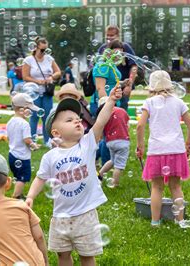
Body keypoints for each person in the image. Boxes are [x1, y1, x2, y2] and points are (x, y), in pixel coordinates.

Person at [25, 86, 122, 266]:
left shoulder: (87, 143)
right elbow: (40, 178)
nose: (78, 122)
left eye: (78, 119)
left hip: (86, 214)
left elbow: (100, 121)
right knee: (63, 255)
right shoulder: (50, 157)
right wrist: (30, 196)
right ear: (56, 133)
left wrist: (110, 101)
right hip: (60, 217)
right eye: (70, 120)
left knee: (87, 256)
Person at [135, 70, 190, 228]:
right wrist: (188, 144)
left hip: (157, 150)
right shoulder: (178, 102)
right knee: (176, 186)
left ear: (152, 85)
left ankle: (155, 221)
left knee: (157, 187)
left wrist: (140, 145)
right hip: (176, 149)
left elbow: (140, 125)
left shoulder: (149, 102)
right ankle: (180, 220)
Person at [22, 37, 61, 146]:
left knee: (47, 117)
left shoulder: (49, 59)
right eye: (42, 50)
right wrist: (37, 81)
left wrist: (51, 77)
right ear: (36, 48)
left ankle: (47, 140)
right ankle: (32, 140)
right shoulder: (29, 60)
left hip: (46, 92)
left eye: (46, 50)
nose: (44, 52)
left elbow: (58, 72)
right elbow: (25, 76)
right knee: (33, 116)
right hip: (33, 92)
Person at [7, 93, 41, 199]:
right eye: (29, 109)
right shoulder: (24, 124)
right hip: (22, 156)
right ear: (23, 109)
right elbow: (26, 139)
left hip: (12, 154)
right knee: (23, 178)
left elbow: (9, 137)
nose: (30, 112)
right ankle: (16, 196)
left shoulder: (10, 121)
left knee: (18, 176)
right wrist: (33, 145)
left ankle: (19, 194)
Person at [98, 25, 138, 110]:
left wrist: (129, 85)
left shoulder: (125, 47)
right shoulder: (103, 48)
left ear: (118, 36)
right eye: (107, 35)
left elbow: (134, 66)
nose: (109, 37)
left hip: (123, 87)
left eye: (112, 35)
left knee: (121, 110)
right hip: (107, 86)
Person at [96, 96, 130, 187]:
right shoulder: (122, 111)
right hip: (122, 141)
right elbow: (128, 125)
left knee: (112, 160)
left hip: (110, 141)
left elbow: (101, 128)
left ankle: (100, 174)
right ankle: (115, 185)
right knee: (119, 166)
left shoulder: (103, 114)